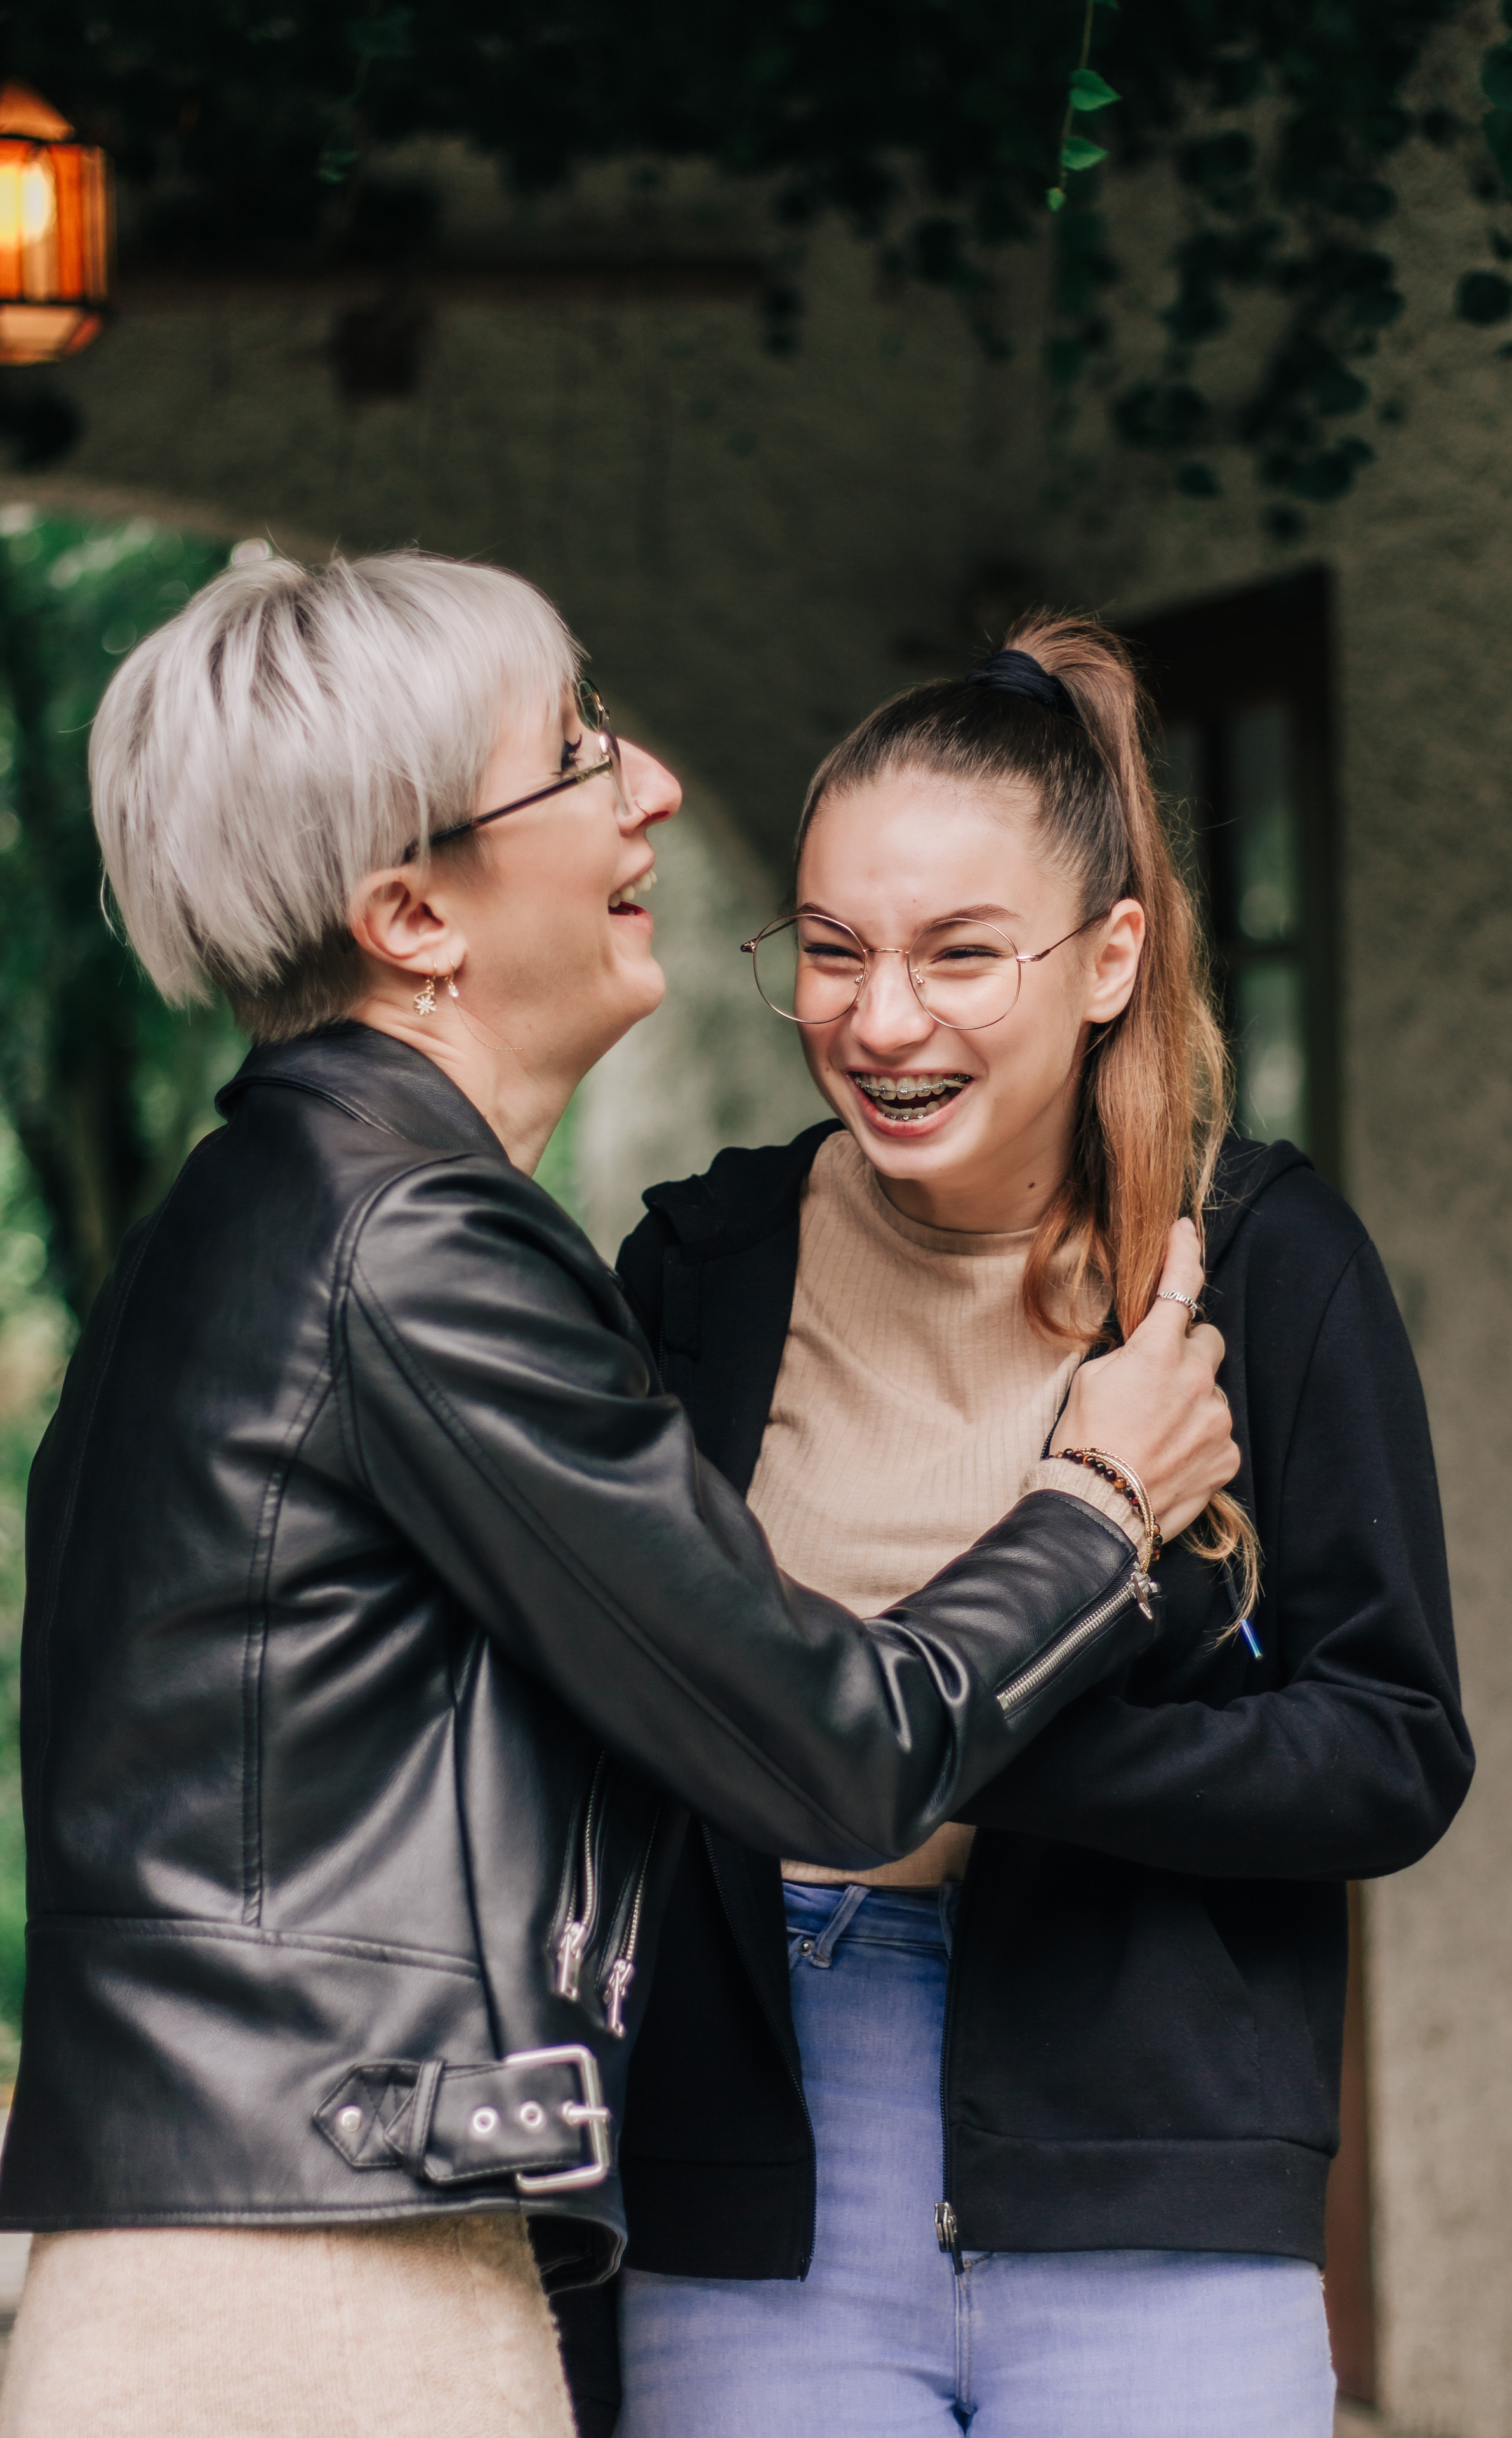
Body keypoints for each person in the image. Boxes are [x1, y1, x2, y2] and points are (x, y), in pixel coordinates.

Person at [0, 560, 1239, 2438]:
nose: (649, 782)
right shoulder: (414, 1244)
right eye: (575, 753)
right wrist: (1092, 1498)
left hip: (249, 2251)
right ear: (414, 912)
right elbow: (827, 1752)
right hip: (326, 2301)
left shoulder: (257, 1217)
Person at [597, 616, 1474, 2438]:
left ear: (1108, 958)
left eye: (959, 955)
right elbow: (625, 1693)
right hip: (761, 2148)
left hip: (1150, 2149)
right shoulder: (701, 1266)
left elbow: (1389, 1750)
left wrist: (953, 1748)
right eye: (830, 953)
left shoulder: (1266, 1265)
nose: (881, 1018)